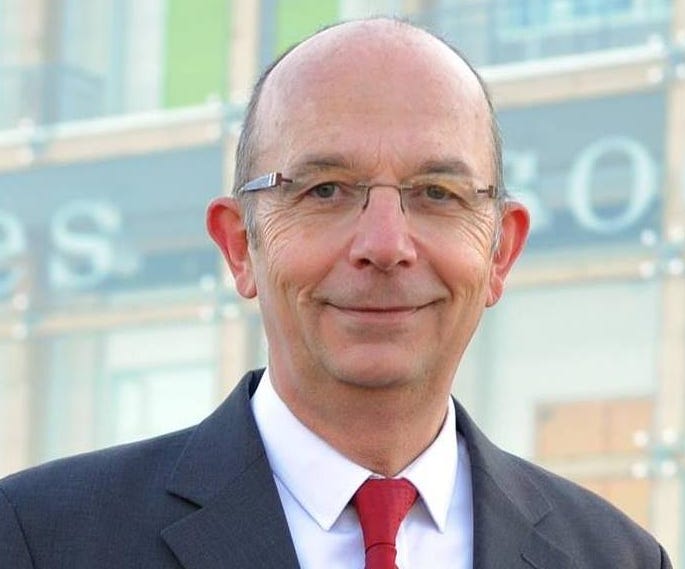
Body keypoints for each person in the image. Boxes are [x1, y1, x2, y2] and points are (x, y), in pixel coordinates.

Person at [0, 17, 672, 569]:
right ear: (240, 245)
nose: (385, 244)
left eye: (437, 193)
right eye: (324, 190)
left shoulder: (618, 558)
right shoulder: (40, 539)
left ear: (499, 251)